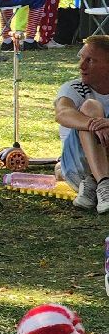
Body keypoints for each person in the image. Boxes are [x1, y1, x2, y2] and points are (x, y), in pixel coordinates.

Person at [55, 35, 109, 214]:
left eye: (90, 60)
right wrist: (96, 124)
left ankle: (95, 182)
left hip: (85, 180)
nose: (81, 66)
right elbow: (63, 113)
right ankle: (104, 182)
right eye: (81, 58)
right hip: (77, 168)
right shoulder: (74, 88)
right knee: (91, 107)